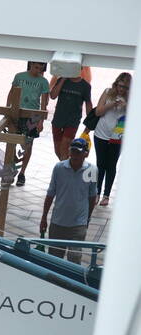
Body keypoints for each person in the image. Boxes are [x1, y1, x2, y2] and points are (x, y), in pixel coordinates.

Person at [40, 137, 97, 264]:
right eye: (73, 151)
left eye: (79, 152)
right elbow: (50, 194)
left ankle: (72, 284)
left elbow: (92, 196)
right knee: (54, 260)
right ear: (69, 151)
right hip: (58, 223)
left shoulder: (91, 170)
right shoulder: (59, 168)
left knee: (75, 260)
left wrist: (87, 219)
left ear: (86, 154)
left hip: (78, 225)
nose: (75, 155)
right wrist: (44, 217)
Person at [9, 61, 50, 186]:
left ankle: (22, 173)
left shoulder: (44, 82)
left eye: (41, 68)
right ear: (31, 64)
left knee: (28, 145)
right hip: (17, 113)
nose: (38, 70)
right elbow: (11, 93)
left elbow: (44, 103)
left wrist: (41, 121)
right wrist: (8, 110)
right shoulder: (19, 77)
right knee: (12, 143)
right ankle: (11, 171)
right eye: (36, 67)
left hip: (33, 116)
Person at [92, 72, 129, 205]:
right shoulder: (108, 92)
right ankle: (96, 193)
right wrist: (111, 104)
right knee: (100, 164)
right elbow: (98, 112)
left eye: (125, 87)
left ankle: (106, 195)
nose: (122, 89)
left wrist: (127, 106)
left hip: (118, 137)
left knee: (111, 165)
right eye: (120, 86)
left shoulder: (132, 99)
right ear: (116, 84)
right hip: (100, 134)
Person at [49, 70, 93, 160]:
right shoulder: (61, 80)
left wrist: (90, 121)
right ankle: (67, 166)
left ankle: (64, 170)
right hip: (58, 119)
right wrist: (63, 79)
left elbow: (88, 103)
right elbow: (53, 96)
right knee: (57, 149)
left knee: (64, 147)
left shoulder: (85, 86)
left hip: (73, 121)